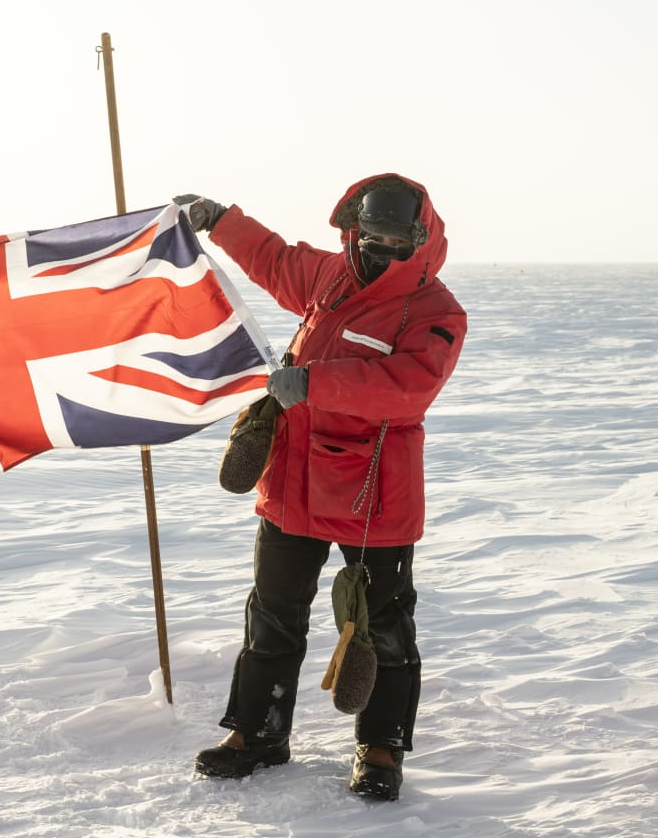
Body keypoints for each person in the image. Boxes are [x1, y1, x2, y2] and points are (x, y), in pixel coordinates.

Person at [175, 174, 466, 801]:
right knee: (272, 618)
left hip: (373, 497)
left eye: (394, 238)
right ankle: (257, 734)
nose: (378, 247)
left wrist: (316, 383)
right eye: (369, 234)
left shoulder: (437, 313)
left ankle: (381, 747)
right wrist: (220, 219)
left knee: (381, 628)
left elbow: (409, 386)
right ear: (352, 227)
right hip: (292, 483)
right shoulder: (329, 275)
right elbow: (275, 260)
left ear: (418, 238)